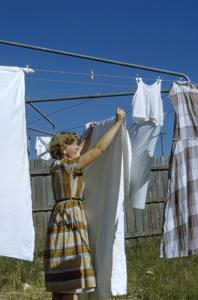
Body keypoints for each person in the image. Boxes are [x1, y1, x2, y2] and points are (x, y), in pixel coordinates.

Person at [44, 108, 125, 300]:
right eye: (73, 145)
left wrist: (87, 133)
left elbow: (81, 149)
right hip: (71, 217)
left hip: (58, 218)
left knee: (60, 279)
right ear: (64, 149)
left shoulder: (56, 166)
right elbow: (99, 150)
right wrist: (117, 123)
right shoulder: (71, 166)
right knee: (72, 275)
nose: (77, 147)